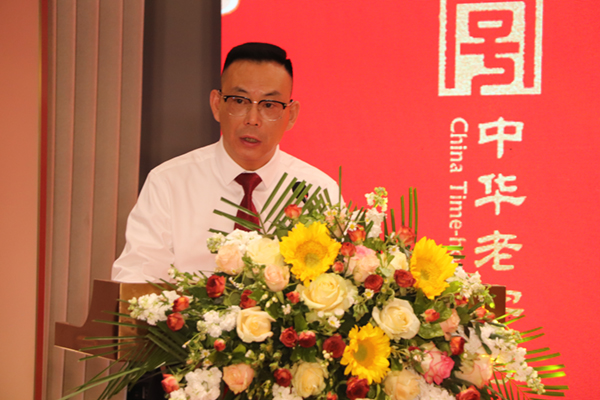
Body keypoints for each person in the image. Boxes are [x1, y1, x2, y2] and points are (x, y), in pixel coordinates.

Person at [112, 43, 339, 283]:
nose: (252, 119)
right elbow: (135, 280)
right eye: (240, 101)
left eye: (269, 105)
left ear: (290, 115)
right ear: (216, 104)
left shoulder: (318, 191)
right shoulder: (168, 183)